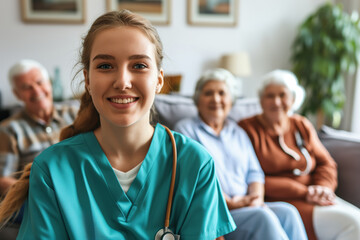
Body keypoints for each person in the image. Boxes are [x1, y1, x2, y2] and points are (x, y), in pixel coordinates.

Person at [0, 10, 236, 239]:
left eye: (139, 66)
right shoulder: (52, 169)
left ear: (159, 80)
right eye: (105, 66)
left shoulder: (195, 164)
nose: (122, 82)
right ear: (88, 80)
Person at [175, 68, 308, 240]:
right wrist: (231, 203)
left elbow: (255, 173)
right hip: (216, 212)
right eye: (208, 93)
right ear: (197, 100)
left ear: (231, 100)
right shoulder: (184, 130)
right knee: (263, 217)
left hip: (245, 205)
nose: (216, 99)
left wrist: (256, 199)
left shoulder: (238, 132)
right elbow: (193, 179)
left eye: (222, 93)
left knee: (288, 212)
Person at [239, 69, 360, 240]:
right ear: (260, 100)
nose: (276, 101)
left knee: (358, 220)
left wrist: (322, 187)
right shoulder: (247, 129)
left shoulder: (300, 124)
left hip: (315, 196)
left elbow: (326, 163)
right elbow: (248, 177)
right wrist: (304, 192)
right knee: (352, 224)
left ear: (293, 99)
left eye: (283, 95)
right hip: (282, 201)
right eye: (270, 96)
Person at [0, 59, 79, 196]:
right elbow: (3, 178)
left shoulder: (75, 112)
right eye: (26, 87)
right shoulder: (9, 129)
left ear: (49, 83)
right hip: (40, 199)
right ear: (17, 94)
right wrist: (41, 192)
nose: (36, 91)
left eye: (39, 82)